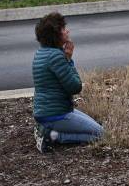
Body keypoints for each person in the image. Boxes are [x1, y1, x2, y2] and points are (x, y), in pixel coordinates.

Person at [32, 12, 103, 152]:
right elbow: (75, 87)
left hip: (48, 111)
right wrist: (69, 59)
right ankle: (52, 136)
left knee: (98, 126)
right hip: (55, 115)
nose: (67, 31)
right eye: (63, 28)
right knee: (101, 134)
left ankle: (46, 130)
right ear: (56, 35)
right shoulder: (56, 56)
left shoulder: (42, 52)